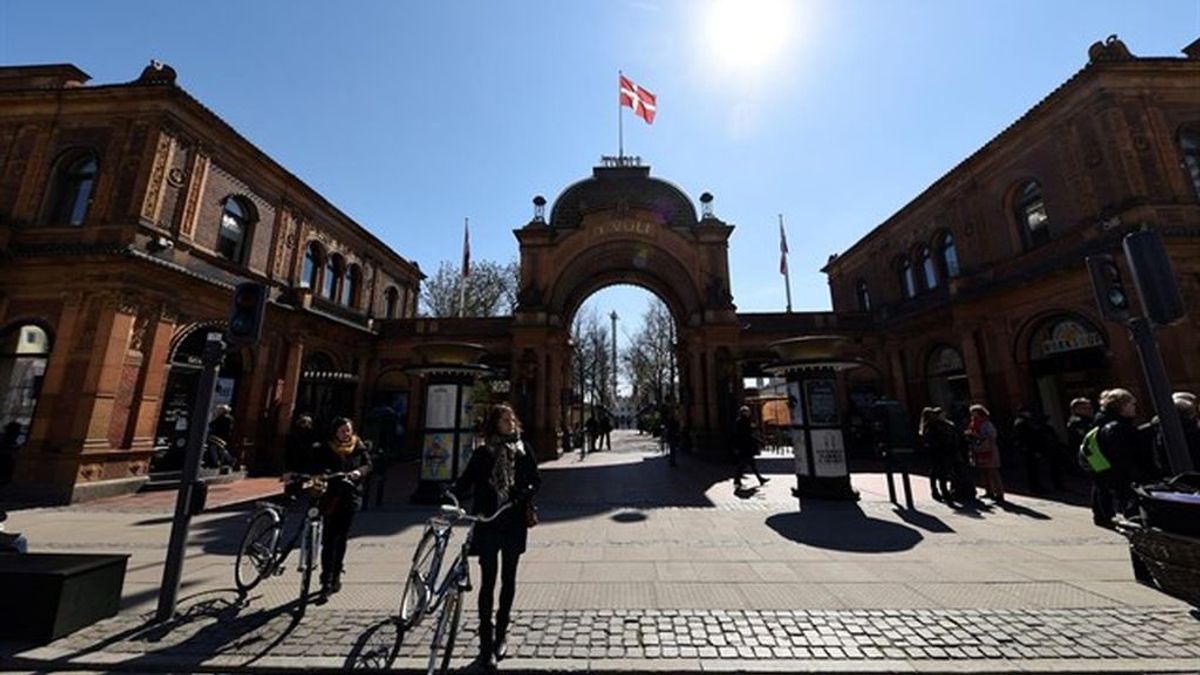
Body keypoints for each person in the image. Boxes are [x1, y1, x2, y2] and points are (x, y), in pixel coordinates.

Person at [452, 403, 541, 668]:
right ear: (495, 423)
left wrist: (524, 494)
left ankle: (502, 632)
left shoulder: (524, 450)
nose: (511, 422)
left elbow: (536, 479)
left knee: (509, 579)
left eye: (512, 418)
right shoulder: (483, 453)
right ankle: (486, 641)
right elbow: (466, 481)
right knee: (488, 582)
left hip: (513, 521)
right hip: (489, 522)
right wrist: (451, 493)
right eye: (505, 419)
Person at [312, 416, 372, 600]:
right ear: (335, 431)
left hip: (350, 497)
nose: (346, 433)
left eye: (348, 430)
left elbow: (368, 465)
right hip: (330, 498)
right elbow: (316, 466)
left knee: (341, 538)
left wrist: (358, 473)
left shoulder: (358, 446)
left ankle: (336, 574)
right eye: (342, 430)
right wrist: (325, 475)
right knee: (329, 539)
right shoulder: (325, 448)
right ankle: (326, 579)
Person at [1094, 388, 1155, 520]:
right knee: (1135, 514)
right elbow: (1122, 457)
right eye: (1131, 404)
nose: (1134, 407)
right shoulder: (1115, 428)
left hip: (1125, 479)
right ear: (1122, 406)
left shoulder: (1116, 426)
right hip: (1128, 481)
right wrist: (1139, 476)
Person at [966, 404, 1004, 503]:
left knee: (993, 472)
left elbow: (992, 435)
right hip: (978, 450)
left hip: (989, 449)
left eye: (974, 412)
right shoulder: (973, 423)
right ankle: (989, 491)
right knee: (983, 472)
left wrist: (978, 436)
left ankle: (999, 493)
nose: (973, 414)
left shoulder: (986, 424)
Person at [919, 407, 957, 502]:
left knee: (936, 472)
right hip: (939, 451)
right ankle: (943, 492)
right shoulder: (932, 426)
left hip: (936, 451)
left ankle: (937, 491)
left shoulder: (928, 426)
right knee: (941, 472)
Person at [732, 405, 768, 489]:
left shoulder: (741, 421)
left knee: (750, 463)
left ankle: (759, 478)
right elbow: (747, 434)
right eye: (747, 412)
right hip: (745, 445)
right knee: (743, 463)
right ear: (744, 413)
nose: (749, 413)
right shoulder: (743, 421)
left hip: (744, 445)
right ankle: (737, 479)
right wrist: (759, 441)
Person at [205, 404, 238, 470]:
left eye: (219, 410)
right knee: (220, 449)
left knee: (214, 447)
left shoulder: (224, 418)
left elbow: (212, 424)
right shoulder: (226, 418)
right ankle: (229, 460)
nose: (218, 411)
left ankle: (217, 461)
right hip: (221, 437)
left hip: (220, 437)